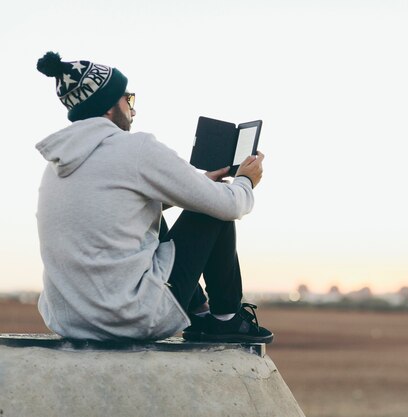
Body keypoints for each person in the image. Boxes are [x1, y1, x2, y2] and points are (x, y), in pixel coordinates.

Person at [35, 51, 273, 343]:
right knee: (215, 207)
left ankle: (198, 312)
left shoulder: (57, 163)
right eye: (128, 99)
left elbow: (116, 208)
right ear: (109, 107)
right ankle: (226, 319)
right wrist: (246, 181)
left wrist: (197, 185)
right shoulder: (135, 148)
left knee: (157, 210)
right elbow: (229, 205)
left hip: (69, 320)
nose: (133, 110)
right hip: (130, 318)